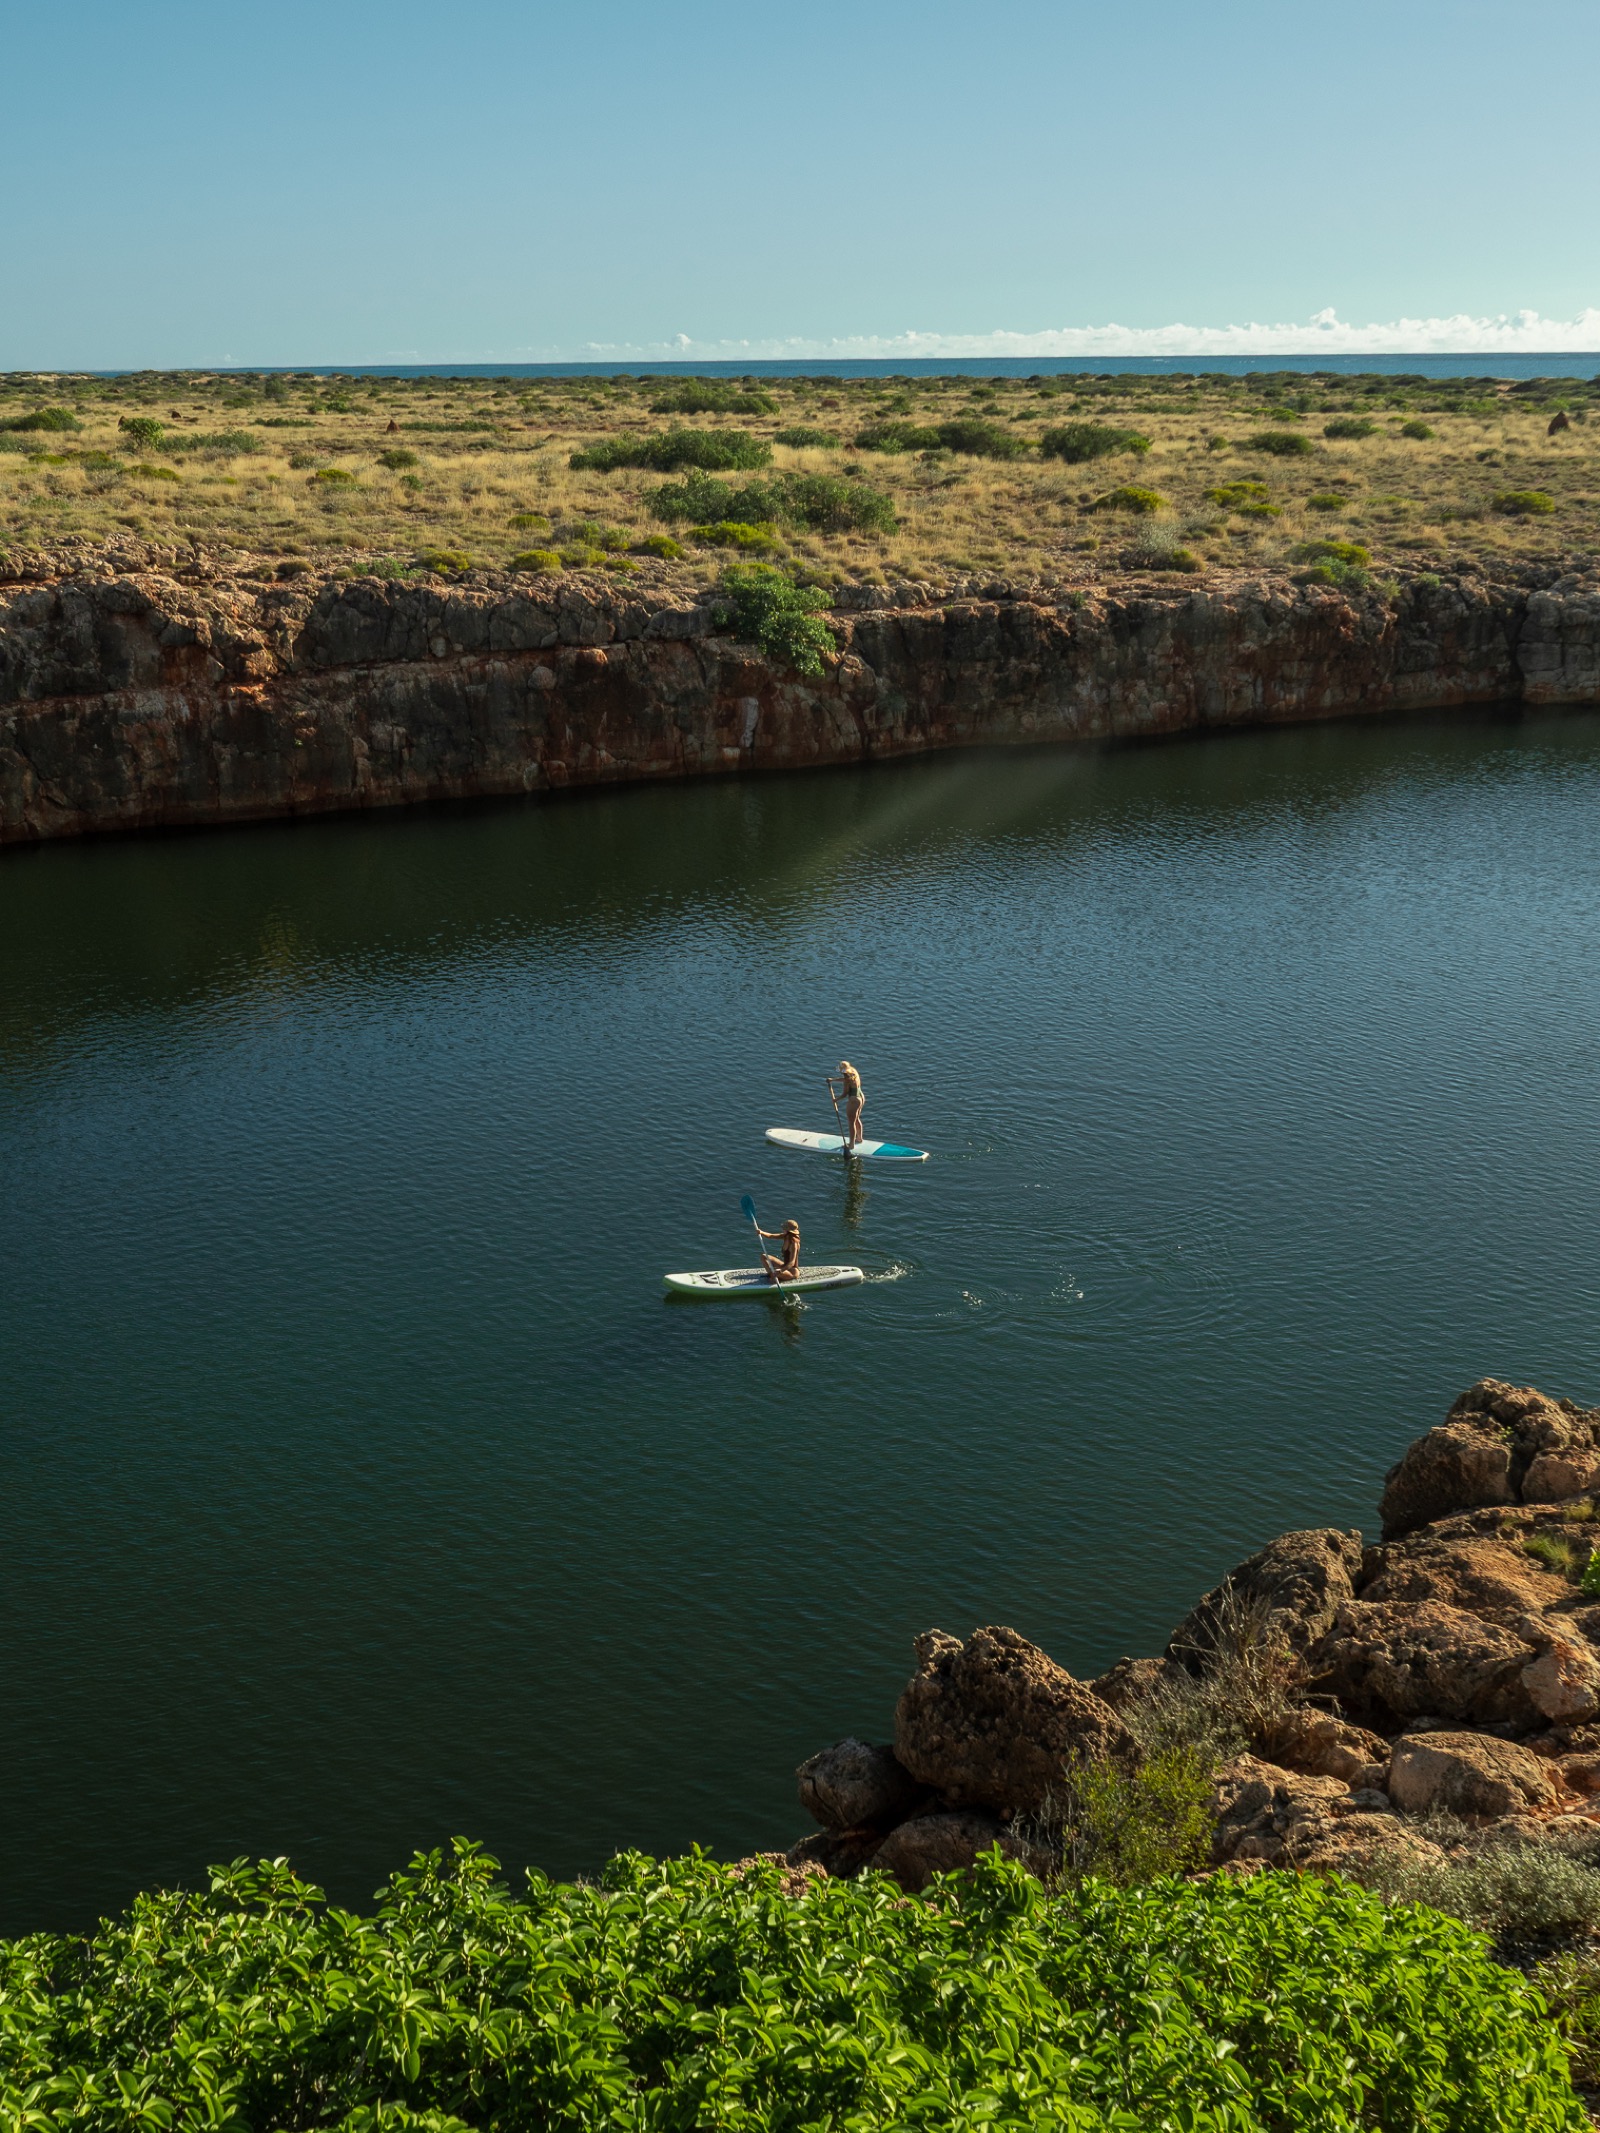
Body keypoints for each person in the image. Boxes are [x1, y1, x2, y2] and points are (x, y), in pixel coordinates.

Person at [829, 1060, 865, 1150]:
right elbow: (845, 1079)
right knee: (856, 1119)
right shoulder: (853, 1071)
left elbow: (845, 1094)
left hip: (854, 1100)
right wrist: (833, 1080)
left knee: (851, 1122)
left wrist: (835, 1100)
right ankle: (859, 1138)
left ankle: (851, 1145)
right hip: (861, 1097)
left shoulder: (847, 1080)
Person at [755, 1218, 802, 1284]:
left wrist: (781, 1271)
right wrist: (761, 1232)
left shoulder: (794, 1244)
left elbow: (792, 1263)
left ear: (788, 1231)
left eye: (784, 1228)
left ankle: (774, 1276)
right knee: (764, 1256)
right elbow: (771, 1236)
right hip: (784, 1265)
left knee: (774, 1271)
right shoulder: (786, 1236)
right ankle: (772, 1275)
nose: (782, 1229)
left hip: (792, 1272)